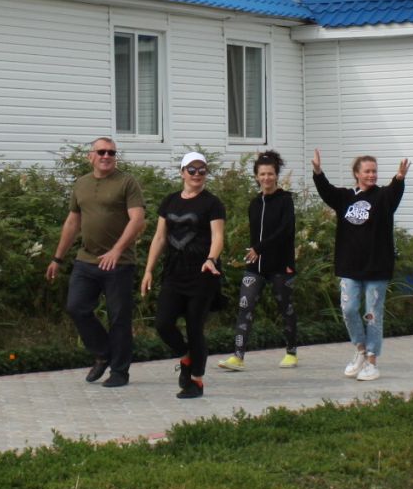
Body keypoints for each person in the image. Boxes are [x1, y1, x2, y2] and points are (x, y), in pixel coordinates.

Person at [48, 137, 147, 388]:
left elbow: (137, 220)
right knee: (76, 307)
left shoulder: (127, 182)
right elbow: (72, 222)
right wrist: (57, 258)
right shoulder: (81, 184)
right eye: (101, 151)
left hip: (119, 262)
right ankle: (103, 353)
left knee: (119, 318)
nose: (106, 156)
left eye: (111, 152)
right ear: (90, 156)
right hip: (86, 260)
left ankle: (120, 372)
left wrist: (116, 250)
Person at [311, 148, 408, 381]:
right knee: (348, 308)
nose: (372, 175)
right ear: (356, 173)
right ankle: (360, 350)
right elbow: (326, 191)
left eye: (374, 171)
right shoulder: (345, 197)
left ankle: (372, 361)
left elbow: (393, 194)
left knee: (372, 314)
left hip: (377, 267)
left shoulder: (383, 197)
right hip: (350, 266)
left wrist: (399, 179)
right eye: (367, 171)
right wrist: (317, 172)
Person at [142, 153, 226, 400]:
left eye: (202, 170)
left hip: (202, 274)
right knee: (163, 323)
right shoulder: (169, 202)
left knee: (194, 327)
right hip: (174, 272)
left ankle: (196, 381)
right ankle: (186, 356)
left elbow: (218, 236)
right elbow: (159, 238)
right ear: (182, 173)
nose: (197, 174)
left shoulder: (212, 203)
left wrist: (211, 259)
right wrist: (148, 270)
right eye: (192, 169)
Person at [221, 150, 299, 371]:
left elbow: (286, 231)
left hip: (280, 266)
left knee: (286, 308)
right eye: (262, 174)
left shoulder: (285, 200)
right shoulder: (254, 203)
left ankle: (291, 352)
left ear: (276, 175)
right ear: (256, 176)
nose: (267, 178)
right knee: (245, 306)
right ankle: (237, 357)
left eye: (271, 174)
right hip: (255, 267)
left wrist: (259, 248)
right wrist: (255, 251)